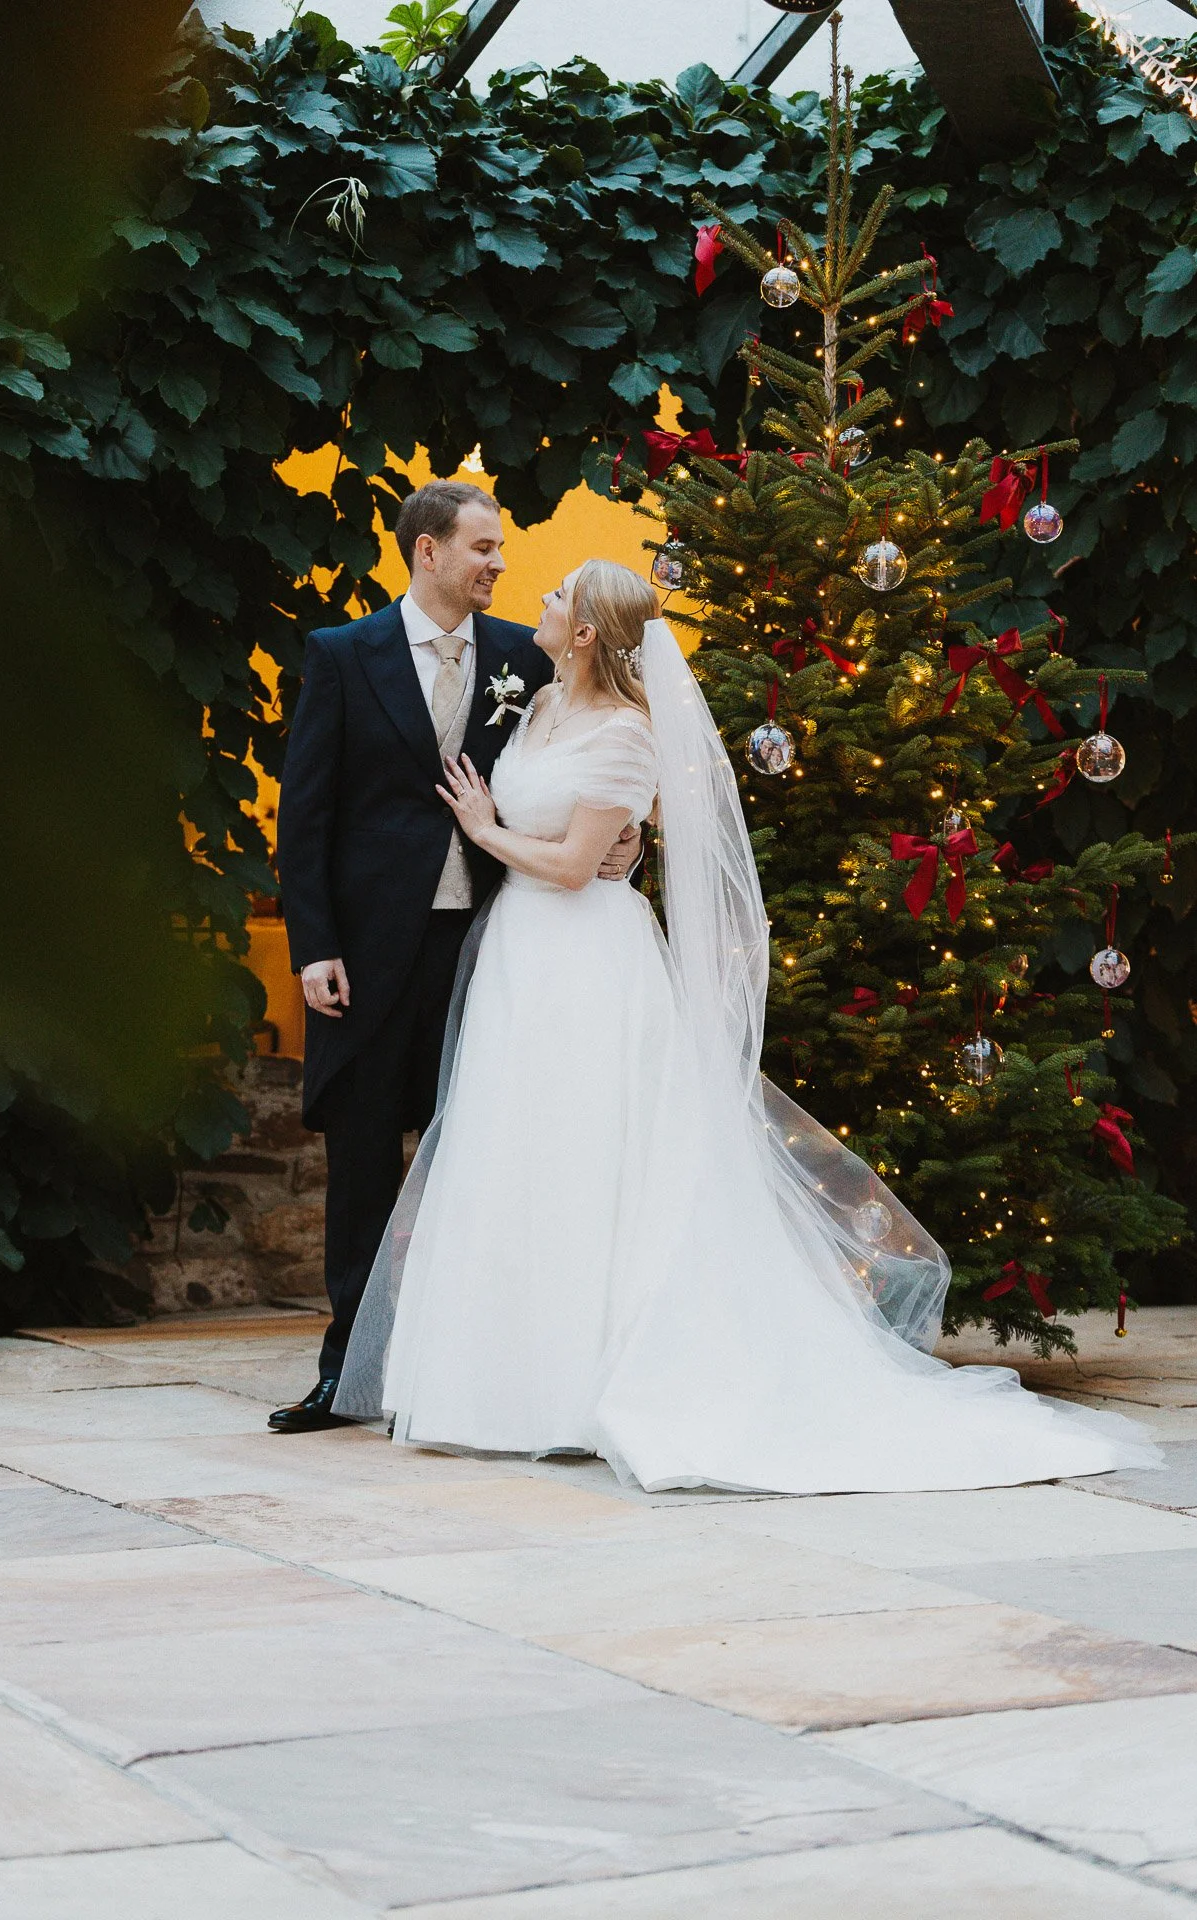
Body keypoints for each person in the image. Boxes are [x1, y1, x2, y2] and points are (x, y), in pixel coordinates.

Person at [332, 558, 1158, 1494]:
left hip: (589, 963)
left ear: (589, 630)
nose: (542, 605)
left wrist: (485, 828)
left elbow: (570, 865)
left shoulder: (624, 732)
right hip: (520, 960)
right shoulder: (540, 703)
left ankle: (581, 1390)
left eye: (558, 598)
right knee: (516, 1152)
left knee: (592, 1154)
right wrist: (597, 831)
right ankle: (496, 1391)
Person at [270, 485, 640, 1433]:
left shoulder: (530, 655)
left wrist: (629, 840)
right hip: (364, 952)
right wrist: (315, 947)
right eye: (482, 548)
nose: (499, 565)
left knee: (483, 1156)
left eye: (500, 549)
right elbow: (304, 815)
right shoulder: (341, 655)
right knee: (362, 1157)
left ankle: (464, 1370)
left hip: (493, 944)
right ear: (427, 551)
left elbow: (597, 761)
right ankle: (348, 1374)